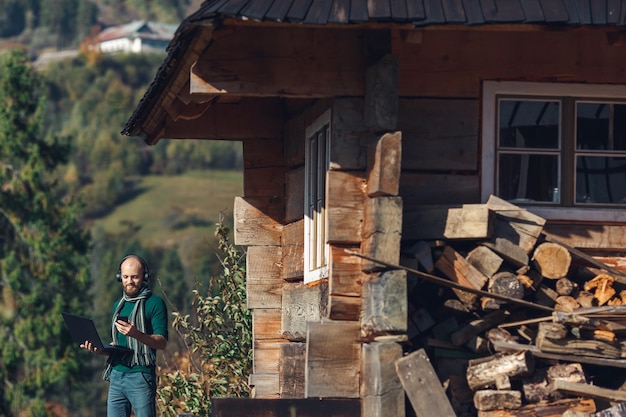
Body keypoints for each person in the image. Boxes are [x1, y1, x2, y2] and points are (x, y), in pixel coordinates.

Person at [81, 255, 168, 417]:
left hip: (140, 376)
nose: (130, 281)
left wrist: (136, 334)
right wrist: (100, 350)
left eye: (135, 277)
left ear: (145, 277)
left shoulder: (155, 303)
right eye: (126, 277)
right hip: (116, 374)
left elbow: (162, 343)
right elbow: (121, 346)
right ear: (119, 277)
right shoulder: (118, 305)